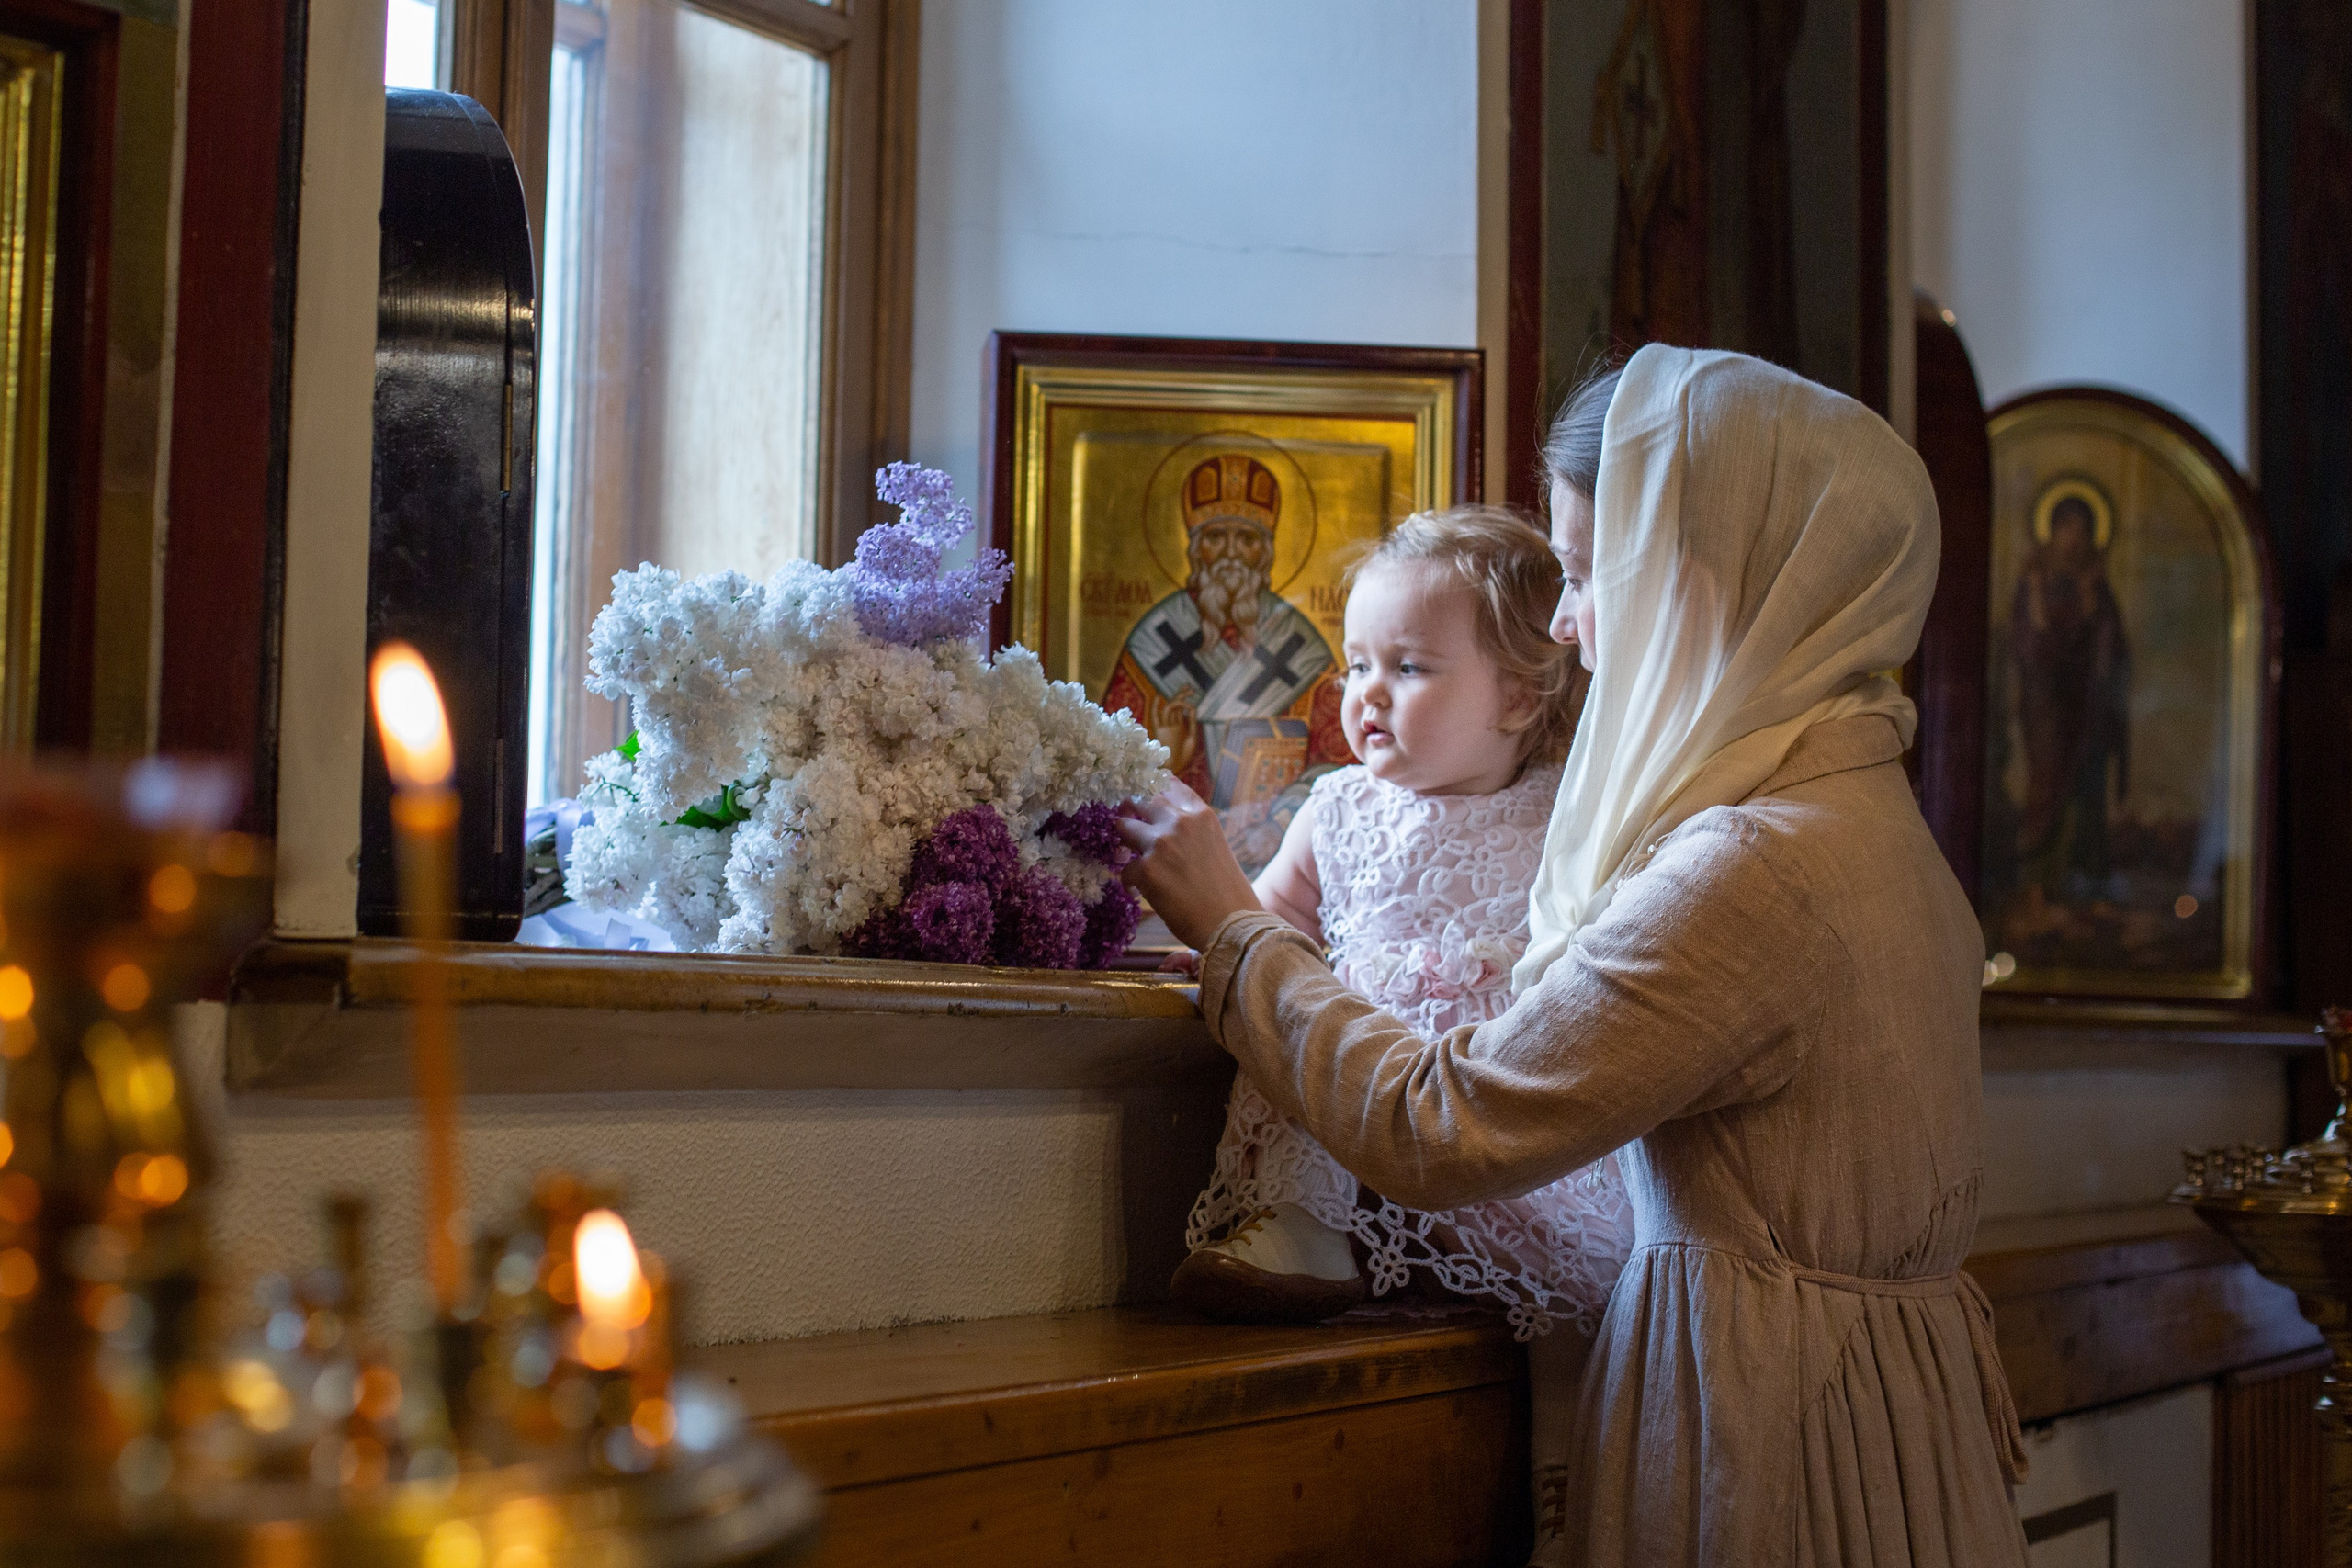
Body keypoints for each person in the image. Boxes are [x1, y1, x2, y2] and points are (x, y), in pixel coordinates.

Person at [1120, 345, 2029, 1567]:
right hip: (1882, 1421)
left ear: (1707, 586)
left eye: (1595, 570)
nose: (1565, 621)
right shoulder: (1868, 816)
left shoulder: (1757, 861)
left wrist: (1234, 932)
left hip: (1773, 1441)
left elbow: (1445, 1125)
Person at [1170, 506, 1634, 1348]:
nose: (1366, 693)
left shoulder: (1571, 814)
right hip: (1354, 1094)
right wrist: (1200, 945)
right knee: (1302, 1020)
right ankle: (1305, 1227)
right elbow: (1263, 924)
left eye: (1409, 667)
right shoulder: (1338, 810)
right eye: (1355, 666)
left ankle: (1499, 1267)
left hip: (1480, 1114)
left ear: (1520, 695)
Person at [1102, 454, 1351, 874]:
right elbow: (1102, 774)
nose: (1232, 553)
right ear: (1196, 550)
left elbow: (1339, 765)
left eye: (1247, 538)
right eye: (1217, 536)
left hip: (1279, 869)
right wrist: (1165, 759)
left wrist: (1280, 824)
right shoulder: (1154, 641)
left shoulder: (1301, 646)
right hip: (1173, 869)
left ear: (1266, 553)